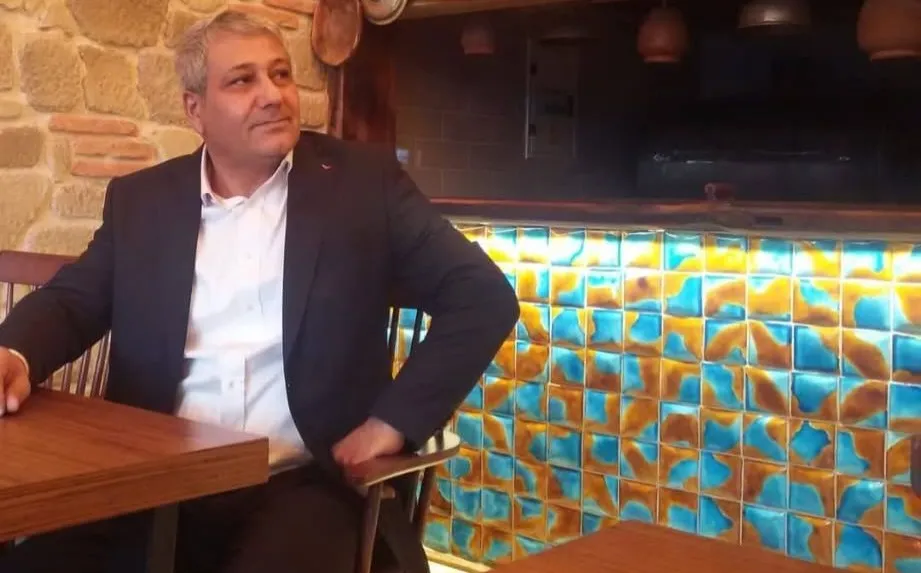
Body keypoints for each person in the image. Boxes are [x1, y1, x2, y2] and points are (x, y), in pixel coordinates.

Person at [0, 9, 519, 573]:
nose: (272, 95)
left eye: (281, 74)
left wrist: (392, 423)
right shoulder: (143, 201)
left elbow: (482, 295)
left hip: (304, 484)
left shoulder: (363, 184)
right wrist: (14, 353)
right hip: (152, 482)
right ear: (195, 109)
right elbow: (73, 301)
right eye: (242, 80)